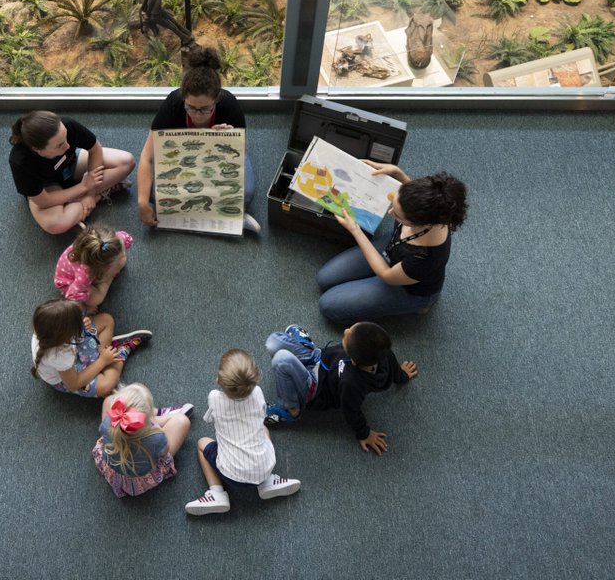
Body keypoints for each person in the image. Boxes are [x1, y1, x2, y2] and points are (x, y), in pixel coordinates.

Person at [317, 165, 467, 324]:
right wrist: (398, 173)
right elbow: (413, 193)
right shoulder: (430, 209)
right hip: (394, 246)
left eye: (397, 215)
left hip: (407, 286)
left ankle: (422, 303)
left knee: (327, 305)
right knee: (324, 278)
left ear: (420, 221)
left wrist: (355, 230)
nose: (390, 213)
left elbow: (386, 275)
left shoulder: (426, 257)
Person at [135, 47, 260, 233]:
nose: (198, 115)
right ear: (183, 98)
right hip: (181, 162)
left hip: (218, 161)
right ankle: (229, 217)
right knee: (154, 195)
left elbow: (242, 151)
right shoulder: (173, 103)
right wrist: (142, 202)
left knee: (247, 193)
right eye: (191, 108)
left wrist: (227, 139)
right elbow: (147, 156)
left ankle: (191, 217)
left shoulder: (229, 104)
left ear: (217, 99)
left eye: (205, 109)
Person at [264, 322, 417, 455]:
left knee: (280, 359)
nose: (346, 331)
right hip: (319, 358)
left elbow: (352, 411)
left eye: (347, 337)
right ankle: (307, 346)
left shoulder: (351, 383)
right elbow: (394, 369)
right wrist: (402, 375)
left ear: (354, 361)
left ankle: (291, 410)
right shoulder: (380, 351)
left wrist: (364, 433)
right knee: (272, 342)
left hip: (315, 387)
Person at [185, 349, 301, 516]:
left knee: (202, 443)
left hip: (231, 474)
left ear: (219, 380)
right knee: (264, 428)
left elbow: (209, 419)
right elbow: (262, 413)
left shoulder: (214, 398)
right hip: (264, 467)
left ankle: (217, 493)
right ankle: (267, 482)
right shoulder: (258, 393)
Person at [9, 111, 135, 235]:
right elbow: (44, 201)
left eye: (66, 138)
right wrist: (84, 187)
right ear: (37, 150)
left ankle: (75, 206)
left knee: (126, 162)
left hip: (71, 166)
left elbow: (95, 150)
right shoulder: (20, 162)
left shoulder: (67, 124)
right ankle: (100, 195)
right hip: (47, 187)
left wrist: (90, 194)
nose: (68, 146)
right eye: (59, 145)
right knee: (55, 224)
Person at [31, 298, 150, 398]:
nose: (82, 318)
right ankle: (122, 350)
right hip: (68, 377)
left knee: (106, 320)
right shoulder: (59, 355)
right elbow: (74, 384)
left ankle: (104, 357)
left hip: (72, 350)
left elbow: (70, 327)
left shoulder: (47, 330)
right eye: (77, 320)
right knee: (107, 386)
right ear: (66, 333)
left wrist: (83, 324)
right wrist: (102, 361)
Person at [93, 383, 193, 497]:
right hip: (140, 479)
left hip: (113, 470)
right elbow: (165, 451)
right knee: (182, 421)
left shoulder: (108, 422)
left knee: (108, 400)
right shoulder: (156, 439)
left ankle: (156, 415)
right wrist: (154, 423)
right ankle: (162, 416)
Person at [54, 225, 132, 313]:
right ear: (102, 267)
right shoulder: (84, 275)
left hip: (94, 270)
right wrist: (85, 309)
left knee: (122, 260)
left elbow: (125, 239)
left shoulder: (114, 240)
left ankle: (105, 278)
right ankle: (105, 282)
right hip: (70, 283)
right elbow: (72, 296)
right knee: (97, 300)